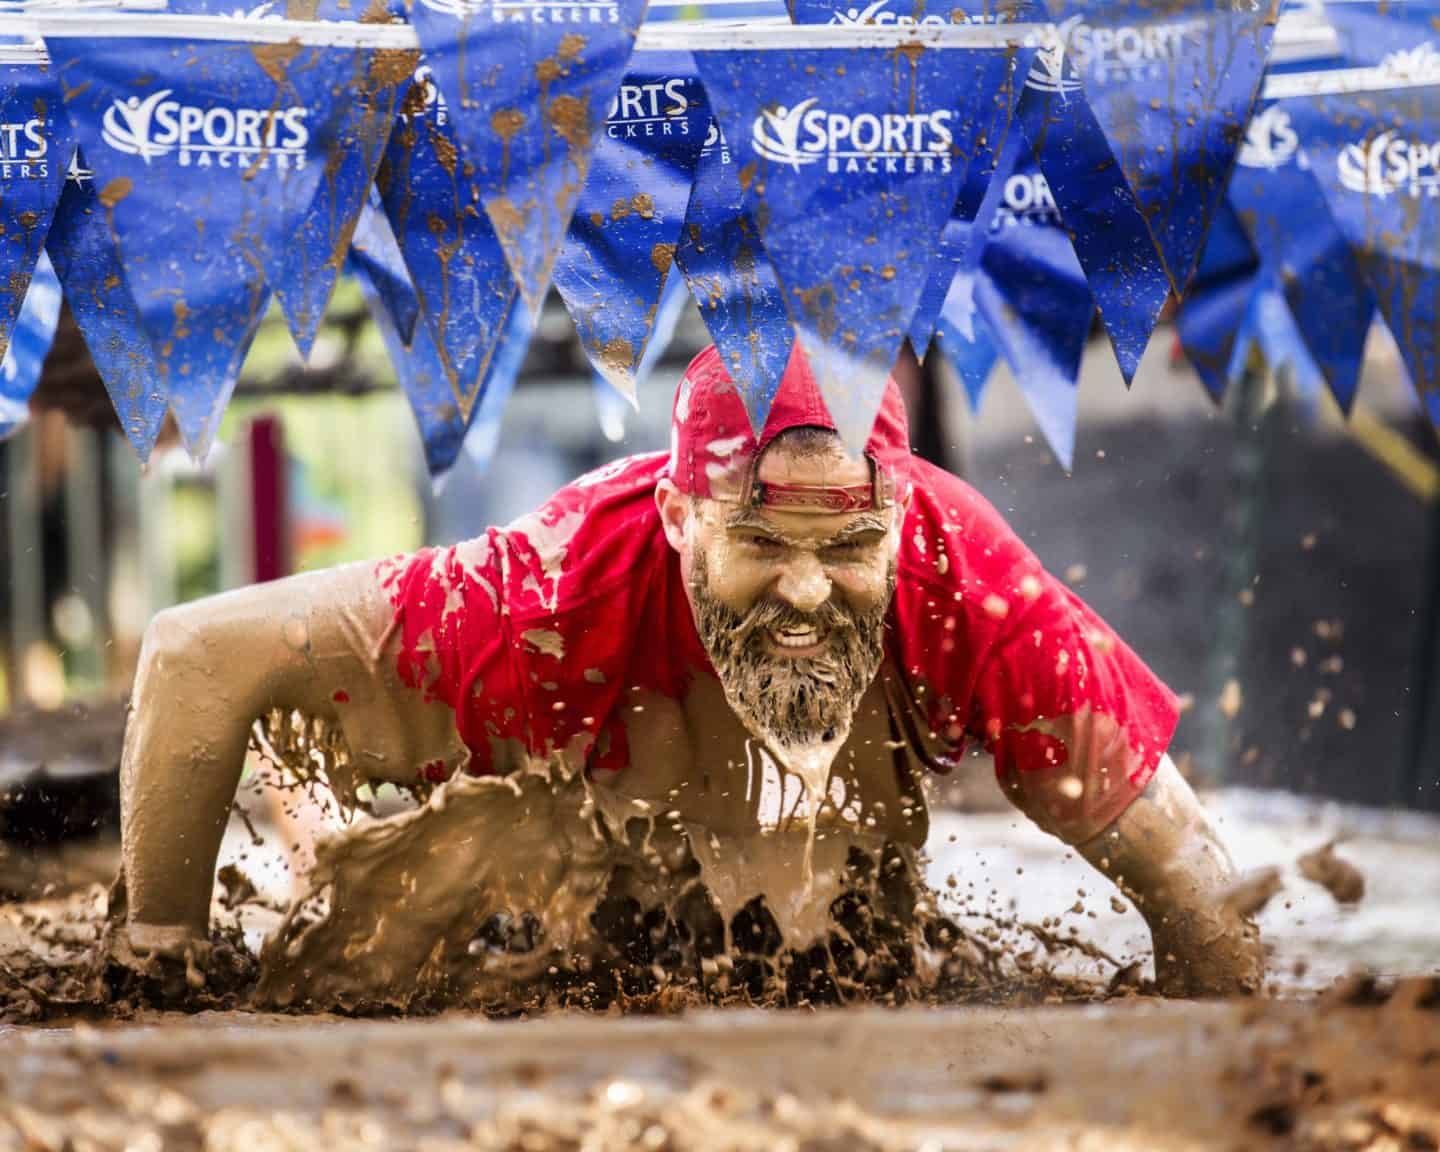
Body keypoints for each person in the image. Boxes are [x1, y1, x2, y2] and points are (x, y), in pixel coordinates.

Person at [116, 344, 1263, 996]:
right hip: (581, 818)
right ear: (677, 514)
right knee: (446, 915)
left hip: (837, 871)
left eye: (846, 548)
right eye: (761, 543)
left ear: (900, 516)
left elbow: (1202, 894)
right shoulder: (546, 596)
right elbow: (193, 655)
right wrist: (157, 967)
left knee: (838, 952)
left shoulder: (973, 590)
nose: (806, 592)